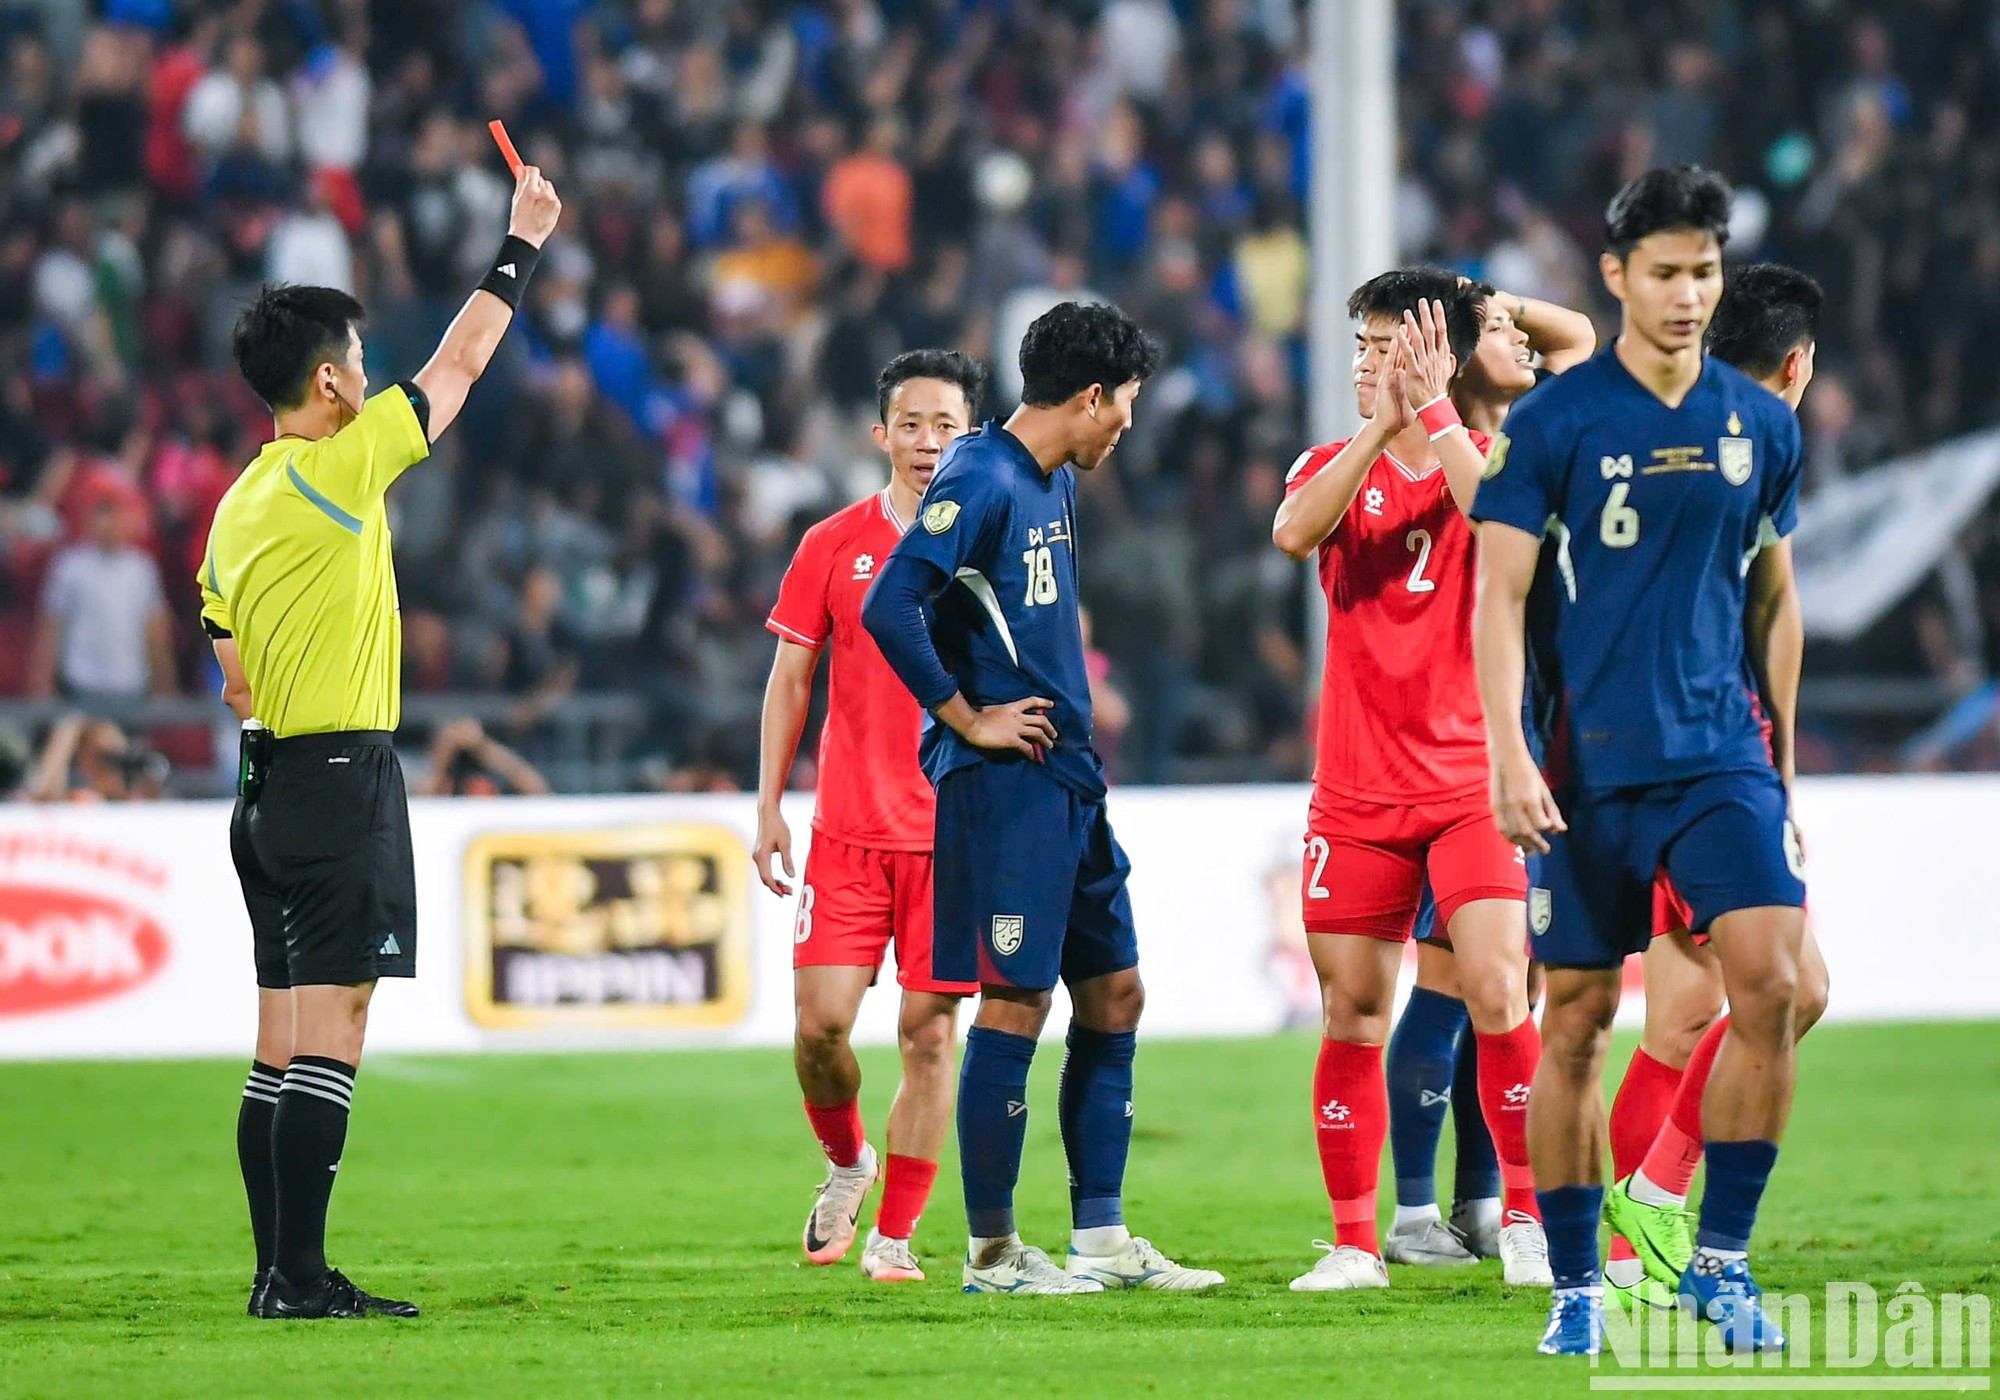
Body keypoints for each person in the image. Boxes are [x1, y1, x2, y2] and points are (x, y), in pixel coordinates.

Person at [200, 163, 562, 1320]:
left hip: (260, 785)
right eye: (357, 361)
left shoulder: (238, 503)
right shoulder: (338, 468)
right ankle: (301, 1278)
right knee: (335, 1031)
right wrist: (521, 245)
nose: (370, 376)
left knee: (275, 1042)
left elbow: (230, 669)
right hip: (338, 774)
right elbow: (456, 369)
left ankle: (274, 1271)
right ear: (328, 382)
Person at [1470, 166, 1807, 1356]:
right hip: (1586, 767)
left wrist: (1781, 767)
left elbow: (1770, 590)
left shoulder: (1759, 425)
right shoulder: (1556, 424)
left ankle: (1719, 1256)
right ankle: (1574, 1281)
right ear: (1613, 277)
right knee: (1571, 1023)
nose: (1684, 294)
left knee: (1770, 985)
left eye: (1702, 272)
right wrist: (1508, 749)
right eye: (1662, 272)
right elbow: (1497, 593)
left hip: (1718, 757)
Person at [862, 301, 1223, 1295]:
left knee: (1115, 992)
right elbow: (887, 602)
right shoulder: (977, 477)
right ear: (1093, 395)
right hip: (1005, 781)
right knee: (1015, 997)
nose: (1127, 428)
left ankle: (1100, 1239)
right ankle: (991, 1253)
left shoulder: (1049, 478)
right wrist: (965, 714)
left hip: (1068, 776)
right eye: (1127, 408)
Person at [1271, 269, 1549, 1292]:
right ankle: (1355, 1241)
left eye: (1388, 343)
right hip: (1354, 793)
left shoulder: (1492, 459)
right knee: (1350, 1009)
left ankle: (1524, 1217)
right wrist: (1377, 429)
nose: (1365, 363)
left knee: (1494, 986)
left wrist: (1430, 412)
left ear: (1439, 354)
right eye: (1359, 346)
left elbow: (1495, 520)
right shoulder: (1328, 466)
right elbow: (1293, 531)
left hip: (1468, 783)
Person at [1600, 262, 1833, 1311]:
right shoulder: (1742, 451)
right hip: (1700, 760)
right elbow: (1761, 616)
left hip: (1654, 753)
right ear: (1793, 365)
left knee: (1685, 1011)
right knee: (1787, 990)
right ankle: (1649, 1199)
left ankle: (1622, 1248)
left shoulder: (1660, 431)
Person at [752, 349, 985, 1283]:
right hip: (848, 835)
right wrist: (767, 804)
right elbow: (790, 679)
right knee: (820, 1029)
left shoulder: (991, 545)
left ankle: (895, 1236)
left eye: (949, 427)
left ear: (973, 435)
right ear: (880, 434)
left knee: (931, 1037)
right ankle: (849, 1161)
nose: (930, 444)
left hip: (954, 835)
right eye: (914, 425)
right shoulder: (832, 544)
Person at [1383, 283, 1595, 1269]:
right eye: (1500, 336)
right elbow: (1485, 500)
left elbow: (1580, 333)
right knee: (1483, 983)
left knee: (1503, 987)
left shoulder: (1550, 418)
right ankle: (1489, 1208)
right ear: (1464, 366)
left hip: (1567, 729)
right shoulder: (1471, 449)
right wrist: (1438, 384)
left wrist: (1479, 298)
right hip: (1494, 749)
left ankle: (1479, 1200)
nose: (1524, 339)